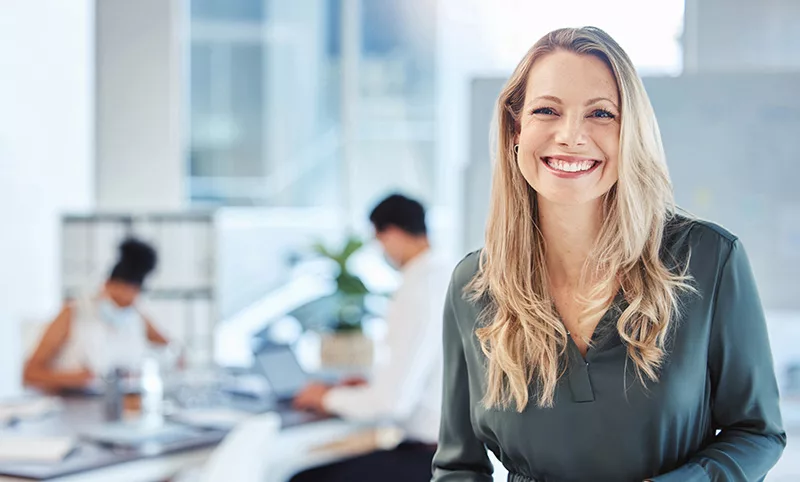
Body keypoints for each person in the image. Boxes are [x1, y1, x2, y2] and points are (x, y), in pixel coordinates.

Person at [432, 27, 786, 482]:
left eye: (601, 113)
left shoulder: (709, 259)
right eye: (547, 110)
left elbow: (757, 432)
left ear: (630, 133)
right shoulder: (473, 285)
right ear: (515, 130)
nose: (571, 136)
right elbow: (457, 466)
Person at [291, 194, 450, 482]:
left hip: (426, 459)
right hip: (452, 456)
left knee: (302, 478)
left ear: (390, 233)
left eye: (379, 240)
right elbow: (423, 373)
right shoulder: (447, 275)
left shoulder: (417, 291)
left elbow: (393, 403)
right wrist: (373, 383)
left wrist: (326, 397)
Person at [24, 238, 171, 392]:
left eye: (127, 303)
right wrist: (75, 379)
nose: (121, 307)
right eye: (117, 300)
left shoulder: (135, 317)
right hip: (72, 406)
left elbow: (169, 346)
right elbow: (29, 373)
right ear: (106, 284)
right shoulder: (73, 312)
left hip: (116, 408)